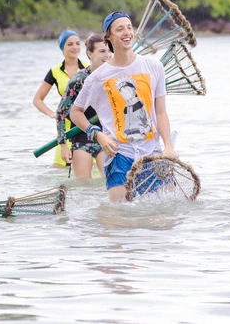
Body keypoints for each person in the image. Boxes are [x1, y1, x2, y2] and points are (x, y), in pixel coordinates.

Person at [70, 11, 177, 201]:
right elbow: (75, 112)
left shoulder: (153, 67)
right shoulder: (97, 77)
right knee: (119, 219)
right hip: (119, 157)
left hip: (152, 154)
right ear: (109, 37)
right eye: (120, 29)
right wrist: (97, 134)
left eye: (129, 27)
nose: (127, 32)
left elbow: (161, 112)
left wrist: (168, 146)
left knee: (165, 219)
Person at [55, 35, 112, 178]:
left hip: (106, 136)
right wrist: (63, 145)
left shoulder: (114, 76)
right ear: (90, 54)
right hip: (82, 138)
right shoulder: (79, 79)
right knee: (83, 186)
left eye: (109, 51)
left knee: (108, 183)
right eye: (102, 51)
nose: (107, 55)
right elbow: (61, 113)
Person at [33, 30, 88, 167]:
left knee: (89, 173)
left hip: (85, 124)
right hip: (65, 127)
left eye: (77, 43)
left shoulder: (89, 68)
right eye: (70, 44)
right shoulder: (55, 71)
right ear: (62, 48)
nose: (74, 47)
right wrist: (52, 113)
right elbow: (37, 99)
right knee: (60, 169)